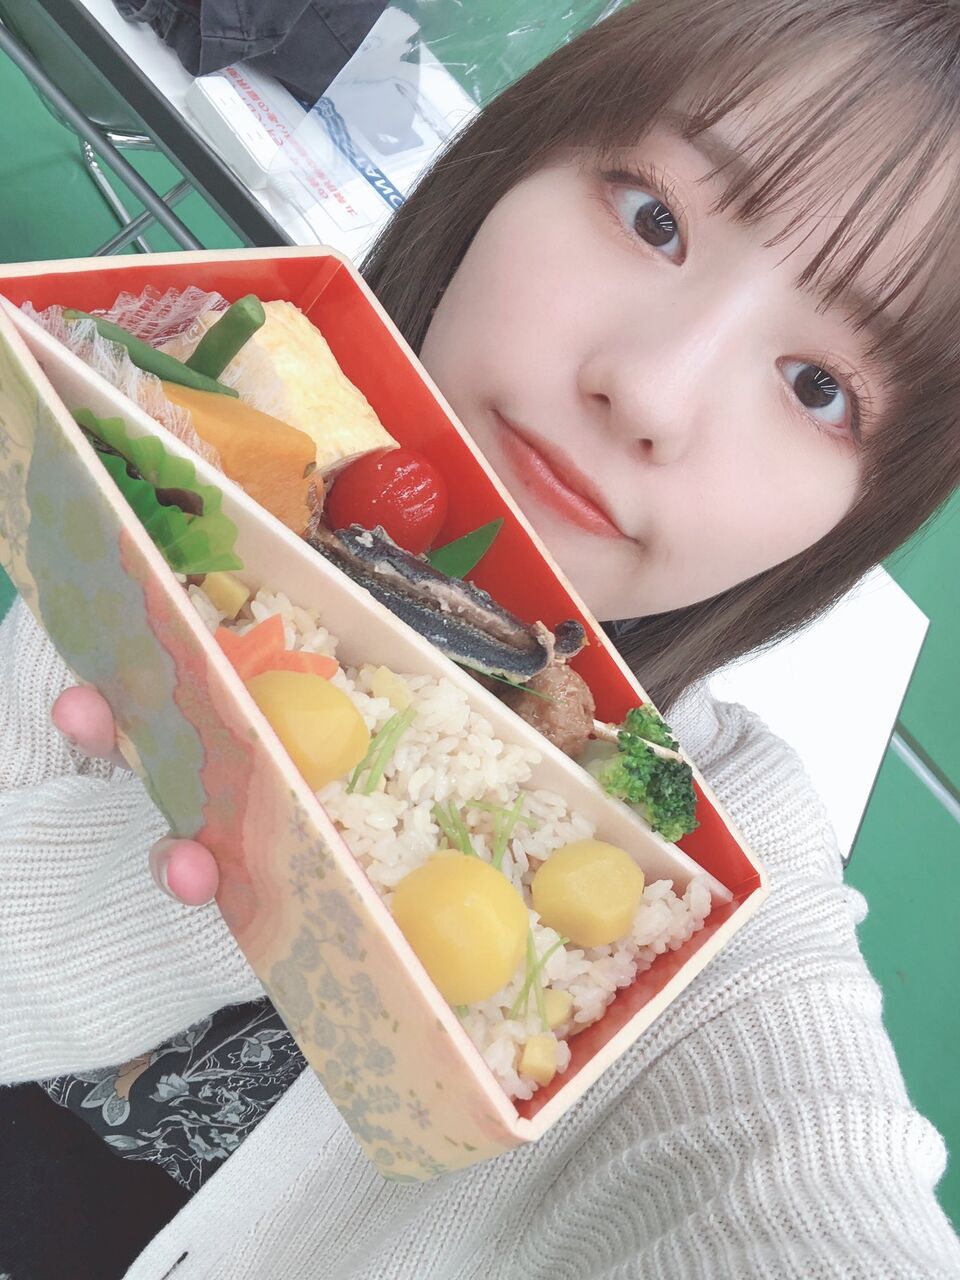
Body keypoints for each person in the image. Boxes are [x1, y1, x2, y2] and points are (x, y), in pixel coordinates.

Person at [3, 0, 960, 1275]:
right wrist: (251, 829)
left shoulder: (717, 866)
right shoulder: (202, 459)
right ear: (513, 162)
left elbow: (798, 1185)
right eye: (655, 218)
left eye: (819, 387)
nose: (653, 390)